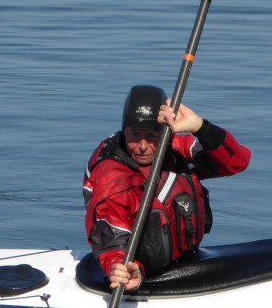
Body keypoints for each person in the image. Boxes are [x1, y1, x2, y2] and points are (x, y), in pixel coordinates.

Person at [83, 85, 251, 292]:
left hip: (186, 258)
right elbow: (111, 236)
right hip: (144, 269)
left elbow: (236, 162)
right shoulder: (113, 177)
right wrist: (122, 268)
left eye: (152, 136)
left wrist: (201, 128)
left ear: (165, 132)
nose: (143, 146)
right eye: (135, 135)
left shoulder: (176, 148)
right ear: (124, 130)